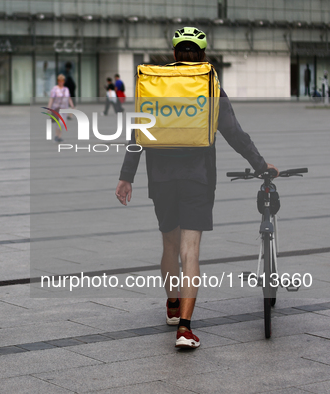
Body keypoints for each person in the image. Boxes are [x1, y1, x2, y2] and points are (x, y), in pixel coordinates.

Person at [115, 27, 278, 349]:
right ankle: (185, 329)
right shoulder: (208, 83)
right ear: (203, 55)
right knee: (191, 252)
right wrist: (261, 165)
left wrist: (126, 176)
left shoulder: (155, 83)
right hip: (198, 178)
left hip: (160, 177)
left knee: (169, 247)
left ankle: (173, 304)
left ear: (174, 54)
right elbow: (233, 132)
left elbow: (138, 132)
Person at [47, 74, 75, 142]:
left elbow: (69, 98)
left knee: (63, 122)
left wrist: (72, 105)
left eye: (62, 80)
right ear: (57, 81)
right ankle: (57, 135)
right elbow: (51, 99)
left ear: (64, 81)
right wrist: (49, 107)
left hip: (64, 108)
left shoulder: (66, 89)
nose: (61, 82)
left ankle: (59, 136)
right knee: (59, 122)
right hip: (57, 108)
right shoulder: (55, 89)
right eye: (59, 80)